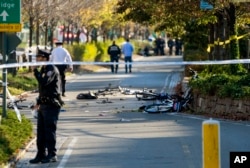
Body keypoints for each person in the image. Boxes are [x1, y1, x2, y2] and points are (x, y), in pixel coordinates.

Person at [29, 51, 64, 164]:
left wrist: (35, 71)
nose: (37, 59)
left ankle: (52, 154)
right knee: (41, 132)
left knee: (49, 131)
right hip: (43, 104)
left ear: (45, 58)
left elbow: (44, 82)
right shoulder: (44, 69)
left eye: (39, 57)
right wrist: (38, 102)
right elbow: (42, 89)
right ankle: (40, 154)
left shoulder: (51, 69)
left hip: (51, 105)